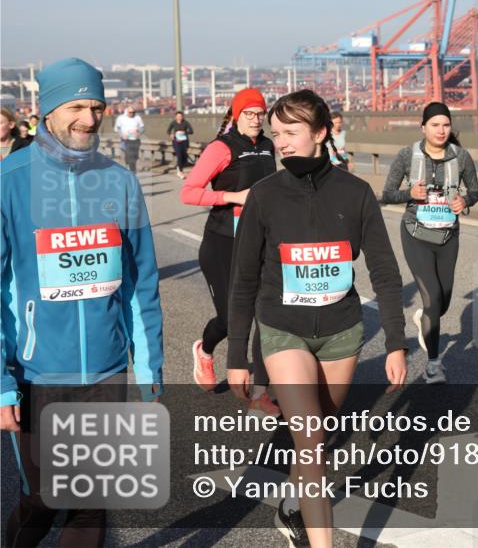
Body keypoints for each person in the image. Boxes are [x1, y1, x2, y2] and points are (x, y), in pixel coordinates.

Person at [227, 89, 406, 548]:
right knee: (310, 438)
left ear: (321, 132)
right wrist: (237, 356)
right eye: (276, 134)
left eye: (291, 132)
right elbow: (243, 280)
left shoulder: (356, 192)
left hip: (340, 334)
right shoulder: (264, 195)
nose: (281, 142)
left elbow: (384, 271)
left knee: (317, 433)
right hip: (283, 329)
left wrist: (396, 344)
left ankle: (293, 503)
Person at [1, 58, 164, 546]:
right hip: (36, 373)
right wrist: (2, 385)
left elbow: (141, 282)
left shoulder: (120, 181)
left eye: (97, 106)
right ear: (46, 110)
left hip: (107, 372)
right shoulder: (10, 179)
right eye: (76, 106)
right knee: (43, 501)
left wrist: (151, 368)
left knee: (90, 504)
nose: (90, 119)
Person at [180, 88, 277, 414]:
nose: (255, 119)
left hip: (259, 242)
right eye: (249, 113)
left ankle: (261, 393)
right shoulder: (221, 148)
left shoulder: (267, 146)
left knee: (265, 316)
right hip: (222, 244)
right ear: (236, 115)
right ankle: (205, 349)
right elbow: (189, 192)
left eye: (259, 113)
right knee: (232, 320)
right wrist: (232, 198)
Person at [382, 102, 478, 383]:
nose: (441, 130)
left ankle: (425, 316)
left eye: (446, 125)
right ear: (423, 127)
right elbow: (388, 194)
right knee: (433, 297)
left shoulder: (461, 157)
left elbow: (475, 191)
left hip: (448, 236)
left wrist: (466, 200)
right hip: (416, 234)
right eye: (435, 125)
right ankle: (434, 364)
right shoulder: (406, 156)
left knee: (443, 300)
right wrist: (409, 194)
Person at [113, 105, 144, 172]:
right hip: (125, 140)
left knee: (135, 157)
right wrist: (122, 135)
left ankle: (131, 169)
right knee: (129, 156)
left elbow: (142, 128)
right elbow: (117, 129)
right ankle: (131, 171)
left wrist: (139, 133)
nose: (132, 113)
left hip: (135, 140)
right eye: (130, 112)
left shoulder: (137, 118)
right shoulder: (121, 118)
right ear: (127, 112)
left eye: (133, 112)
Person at [166, 109, 195, 178]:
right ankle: (180, 171)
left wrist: (184, 132)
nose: (179, 117)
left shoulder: (185, 123)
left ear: (183, 117)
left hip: (184, 141)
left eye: (181, 116)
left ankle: (179, 168)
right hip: (176, 141)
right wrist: (171, 135)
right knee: (179, 155)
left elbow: (191, 131)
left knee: (184, 156)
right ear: (175, 117)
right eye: (178, 116)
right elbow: (168, 131)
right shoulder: (173, 123)